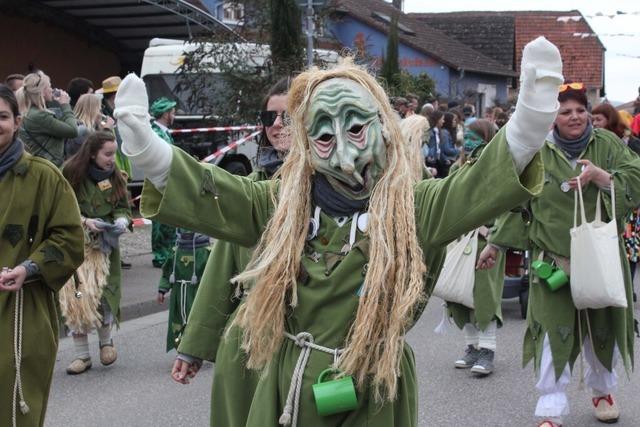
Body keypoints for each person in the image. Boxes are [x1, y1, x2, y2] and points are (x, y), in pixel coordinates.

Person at [114, 37, 561, 426]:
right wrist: (149, 152)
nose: (345, 158)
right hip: (289, 385)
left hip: (374, 383)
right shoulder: (280, 204)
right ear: (307, 143)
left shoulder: (414, 206)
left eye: (355, 128)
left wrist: (529, 124)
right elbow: (215, 193)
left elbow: (474, 188)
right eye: (325, 138)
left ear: (383, 127)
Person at [480, 81, 640, 427]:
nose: (575, 117)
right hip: (553, 262)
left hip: (601, 259)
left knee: (602, 329)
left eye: (581, 110)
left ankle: (603, 392)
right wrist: (495, 244)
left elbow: (635, 179)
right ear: (553, 116)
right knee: (553, 332)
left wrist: (602, 177)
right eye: (566, 111)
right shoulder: (537, 152)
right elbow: (515, 203)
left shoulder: (608, 145)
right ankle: (551, 407)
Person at [170, 78, 292, 424]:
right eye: (270, 118)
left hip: (310, 340)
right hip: (248, 342)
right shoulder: (250, 189)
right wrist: (194, 346)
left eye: (290, 116)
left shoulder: (341, 189)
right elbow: (223, 270)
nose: (278, 125)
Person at [0, 84, 84, 427]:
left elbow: (70, 238)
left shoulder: (44, 176)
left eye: (2, 116)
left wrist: (29, 267)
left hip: (22, 311)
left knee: (15, 411)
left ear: (18, 121)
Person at [61, 131, 131, 375]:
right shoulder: (70, 173)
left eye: (114, 153)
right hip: (77, 250)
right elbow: (59, 209)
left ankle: (106, 343)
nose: (113, 159)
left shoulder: (115, 177)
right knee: (77, 298)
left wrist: (122, 220)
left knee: (104, 296)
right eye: (108, 154)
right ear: (92, 153)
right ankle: (82, 355)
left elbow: (123, 206)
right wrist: (84, 221)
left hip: (104, 249)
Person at [441, 119, 504, 376]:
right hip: (460, 240)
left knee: (483, 296)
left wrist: (494, 235)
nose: (468, 142)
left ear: (487, 139)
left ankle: (487, 350)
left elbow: (506, 207)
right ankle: (471, 347)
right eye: (466, 137)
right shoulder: (458, 167)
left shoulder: (499, 170)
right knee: (457, 295)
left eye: (475, 137)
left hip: (486, 242)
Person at [157, 228, 211, 352]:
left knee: (197, 319)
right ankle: (181, 347)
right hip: (179, 294)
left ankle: (198, 349)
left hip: (197, 293)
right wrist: (162, 289)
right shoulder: (175, 252)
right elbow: (167, 272)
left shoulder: (205, 252)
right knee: (178, 321)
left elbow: (212, 274)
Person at [18, 71, 78, 167]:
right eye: (49, 86)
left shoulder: (30, 112)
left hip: (40, 165)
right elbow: (73, 131)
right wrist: (65, 105)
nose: (52, 89)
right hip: (48, 166)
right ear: (42, 91)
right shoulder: (39, 115)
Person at [149, 97, 178, 268]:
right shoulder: (157, 133)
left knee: (168, 220)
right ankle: (160, 254)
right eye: (172, 113)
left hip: (168, 181)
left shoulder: (164, 132)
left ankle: (168, 252)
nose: (174, 116)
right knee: (160, 220)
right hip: (159, 181)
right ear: (166, 114)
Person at [65, 93, 115, 159]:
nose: (101, 114)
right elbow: (100, 154)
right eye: (100, 110)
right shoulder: (83, 131)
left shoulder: (77, 126)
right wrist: (107, 130)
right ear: (93, 110)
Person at [425, 110, 459, 177]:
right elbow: (431, 147)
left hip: (437, 161)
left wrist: (444, 158)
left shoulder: (438, 132)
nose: (443, 121)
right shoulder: (431, 132)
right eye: (442, 119)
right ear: (437, 120)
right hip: (432, 161)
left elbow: (439, 149)